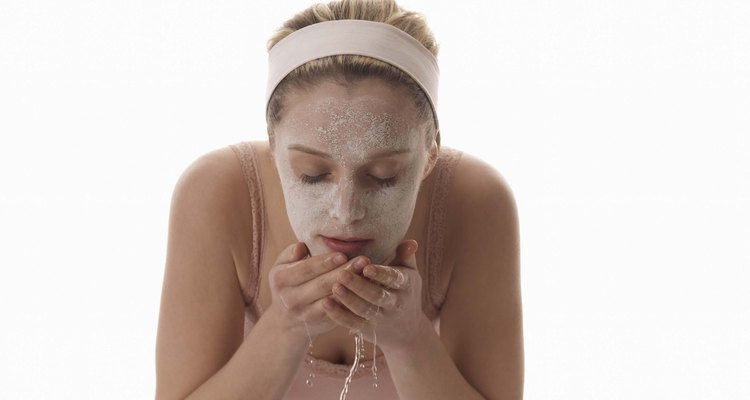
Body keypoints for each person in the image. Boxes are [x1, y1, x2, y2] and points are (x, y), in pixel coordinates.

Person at [155, 0, 523, 398]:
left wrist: (409, 337)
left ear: (430, 155)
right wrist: (285, 327)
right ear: (274, 147)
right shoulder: (218, 193)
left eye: (384, 177)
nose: (346, 212)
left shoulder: (476, 202)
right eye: (312, 174)